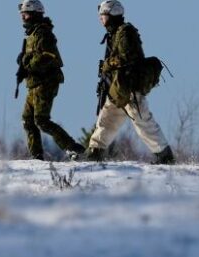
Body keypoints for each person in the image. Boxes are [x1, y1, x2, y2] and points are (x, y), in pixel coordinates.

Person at [86, 0, 175, 164]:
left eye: (103, 15)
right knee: (106, 120)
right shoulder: (115, 33)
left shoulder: (125, 32)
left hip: (130, 87)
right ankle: (94, 154)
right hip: (118, 88)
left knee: (142, 121)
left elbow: (129, 58)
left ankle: (165, 156)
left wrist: (108, 64)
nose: (100, 19)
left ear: (112, 14)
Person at [16, 0, 85, 161]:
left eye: (25, 14)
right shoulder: (32, 34)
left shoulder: (43, 33)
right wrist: (24, 68)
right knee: (28, 120)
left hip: (46, 82)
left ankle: (72, 147)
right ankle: (37, 156)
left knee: (41, 120)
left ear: (33, 14)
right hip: (34, 83)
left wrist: (27, 62)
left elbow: (48, 57)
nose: (22, 17)